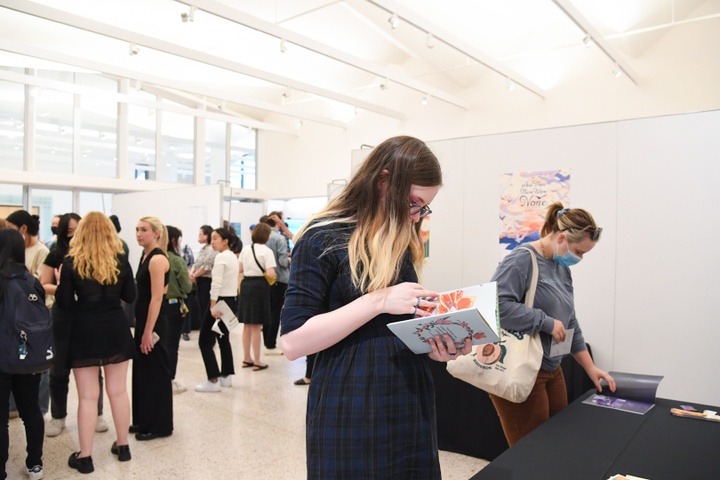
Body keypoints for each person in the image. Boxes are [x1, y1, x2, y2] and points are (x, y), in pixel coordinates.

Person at [279, 136, 468, 478]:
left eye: (424, 208)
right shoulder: (321, 238)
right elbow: (293, 342)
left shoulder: (398, 239)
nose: (416, 216)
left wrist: (437, 345)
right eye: (413, 202)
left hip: (408, 398)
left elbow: (398, 325)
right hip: (351, 402)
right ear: (383, 182)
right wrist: (377, 301)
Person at [488, 202, 616, 446]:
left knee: (556, 444)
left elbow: (570, 322)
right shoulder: (521, 259)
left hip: (552, 368)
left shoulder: (561, 268)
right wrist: (544, 322)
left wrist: (590, 369)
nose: (579, 258)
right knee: (532, 451)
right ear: (561, 238)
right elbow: (496, 306)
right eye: (579, 251)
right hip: (522, 368)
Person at [56, 212, 137, 473]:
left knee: (88, 397)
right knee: (118, 391)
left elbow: (65, 303)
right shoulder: (121, 259)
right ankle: (123, 446)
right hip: (115, 326)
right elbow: (130, 295)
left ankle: (86, 457)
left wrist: (60, 283)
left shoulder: (71, 262)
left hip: (85, 329)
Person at [41, 213, 109, 438]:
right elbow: (44, 284)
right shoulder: (55, 254)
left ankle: (97, 413)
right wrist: (63, 287)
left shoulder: (94, 255)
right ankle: (58, 416)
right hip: (62, 315)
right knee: (58, 368)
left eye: (78, 230)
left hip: (88, 317)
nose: (75, 236)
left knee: (92, 367)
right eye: (70, 232)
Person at [0, 228, 46, 480]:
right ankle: (35, 464)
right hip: (27, 356)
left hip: (1, 357)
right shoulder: (31, 281)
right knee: (31, 411)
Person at [5, 211, 50, 419]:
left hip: (21, 330)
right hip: (21, 332)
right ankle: (34, 453)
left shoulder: (42, 251)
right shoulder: (28, 278)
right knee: (30, 409)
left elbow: (43, 284)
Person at [131, 216, 173, 441]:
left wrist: (148, 331)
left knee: (155, 371)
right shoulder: (144, 255)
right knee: (143, 371)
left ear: (156, 233)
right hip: (145, 319)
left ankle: (159, 425)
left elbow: (157, 298)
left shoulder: (157, 259)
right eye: (137, 229)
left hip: (154, 322)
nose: (139, 234)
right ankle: (143, 419)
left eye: (144, 230)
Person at [194, 228, 240, 392]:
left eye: (215, 238)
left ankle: (213, 380)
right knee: (223, 339)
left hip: (219, 301)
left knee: (205, 341)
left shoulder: (221, 257)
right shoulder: (233, 257)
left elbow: (216, 283)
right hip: (230, 300)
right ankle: (226, 377)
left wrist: (212, 305)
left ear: (225, 240)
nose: (212, 242)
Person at [238, 223, 276, 372]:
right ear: (267, 236)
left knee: (246, 325)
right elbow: (271, 273)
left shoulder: (246, 249)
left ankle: (247, 358)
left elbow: (240, 268)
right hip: (260, 287)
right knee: (256, 326)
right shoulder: (267, 251)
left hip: (246, 285)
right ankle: (257, 361)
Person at [164, 226, 192, 394]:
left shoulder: (149, 257)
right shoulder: (175, 260)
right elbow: (187, 286)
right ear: (173, 240)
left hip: (156, 307)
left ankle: (159, 378)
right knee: (172, 345)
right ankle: (170, 380)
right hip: (173, 306)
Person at [259, 216, 290, 354]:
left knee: (266, 309)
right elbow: (283, 262)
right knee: (276, 311)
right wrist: (290, 258)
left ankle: (266, 340)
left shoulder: (261, 238)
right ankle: (271, 343)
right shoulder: (280, 239)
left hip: (265, 278)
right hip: (280, 278)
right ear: (277, 222)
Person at [189, 225, 216, 333]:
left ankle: (209, 333)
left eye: (200, 234)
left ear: (206, 235)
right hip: (200, 281)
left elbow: (206, 267)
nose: (198, 237)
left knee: (206, 307)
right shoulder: (204, 248)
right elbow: (196, 263)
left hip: (207, 281)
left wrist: (194, 275)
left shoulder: (212, 249)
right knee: (201, 306)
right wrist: (192, 273)